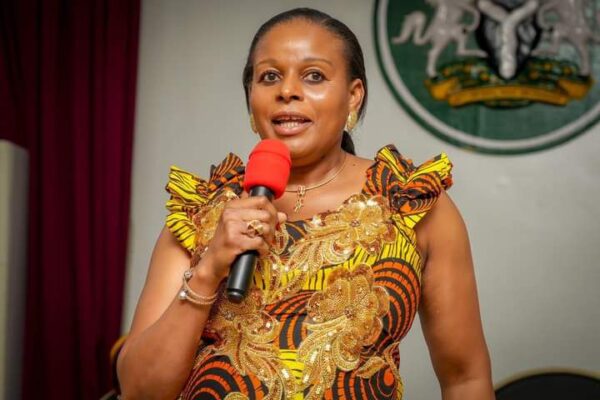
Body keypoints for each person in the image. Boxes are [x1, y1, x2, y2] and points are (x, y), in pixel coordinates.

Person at [116, 8, 494, 400]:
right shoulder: (201, 210)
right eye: (269, 76)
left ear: (353, 96)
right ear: (251, 98)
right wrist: (209, 269)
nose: (287, 91)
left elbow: (466, 379)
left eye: (314, 75)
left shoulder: (409, 202)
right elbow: (140, 390)